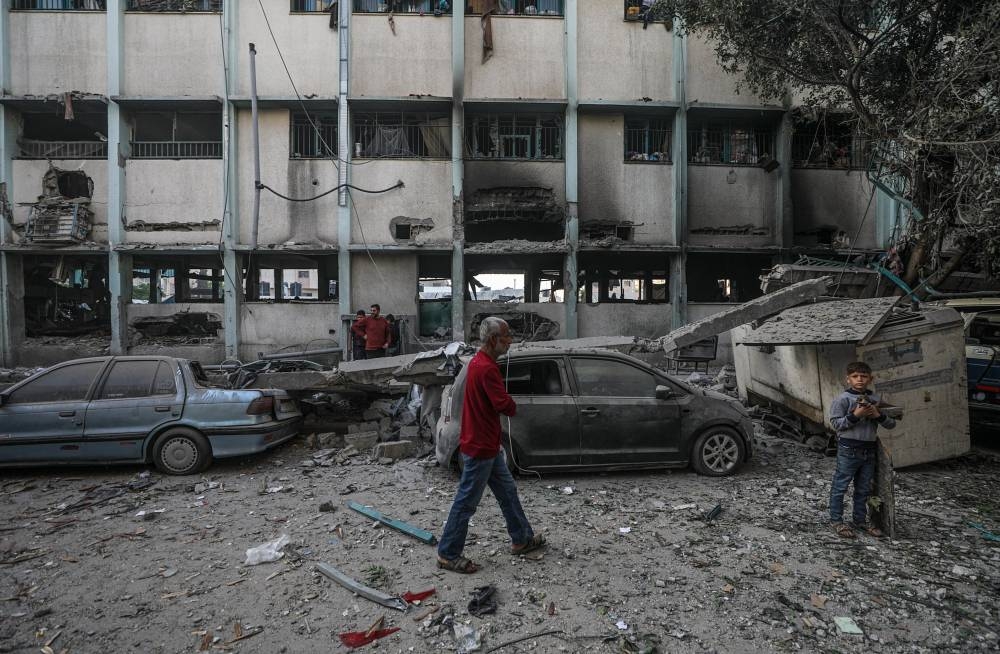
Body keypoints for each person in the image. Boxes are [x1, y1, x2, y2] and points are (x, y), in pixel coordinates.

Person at [436, 317, 545, 573]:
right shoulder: (487, 369)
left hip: (486, 444)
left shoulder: (478, 363)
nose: (510, 341)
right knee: (466, 502)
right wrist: (513, 402)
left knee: (507, 492)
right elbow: (503, 405)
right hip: (481, 447)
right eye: (506, 336)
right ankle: (448, 553)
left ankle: (522, 539)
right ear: (494, 339)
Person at [828, 361, 896, 539]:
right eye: (855, 376)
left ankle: (860, 520)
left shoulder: (875, 400)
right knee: (840, 487)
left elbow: (891, 424)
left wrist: (878, 415)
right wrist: (855, 416)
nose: (859, 379)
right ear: (848, 379)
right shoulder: (842, 399)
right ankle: (836, 521)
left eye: (864, 376)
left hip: (869, 451)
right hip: (848, 450)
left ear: (870, 379)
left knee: (863, 489)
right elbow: (836, 424)